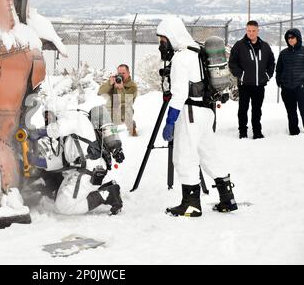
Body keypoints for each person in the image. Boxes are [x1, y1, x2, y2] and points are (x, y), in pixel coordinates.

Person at [157, 16, 238, 217]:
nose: (161, 44)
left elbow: (179, 94)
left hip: (190, 112)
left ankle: (191, 204)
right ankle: (227, 198)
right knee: (209, 154)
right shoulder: (197, 50)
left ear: (172, 36)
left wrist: (170, 121)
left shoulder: (181, 57)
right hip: (206, 112)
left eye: (163, 39)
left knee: (185, 156)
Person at [27, 105, 124, 216]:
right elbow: (62, 160)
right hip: (86, 170)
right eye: (45, 117)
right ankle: (103, 187)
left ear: (56, 111)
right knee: (60, 198)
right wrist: (36, 162)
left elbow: (57, 128)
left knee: (63, 206)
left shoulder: (74, 117)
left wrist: (39, 133)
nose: (47, 120)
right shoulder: (68, 135)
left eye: (48, 116)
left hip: (89, 170)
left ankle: (106, 194)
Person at [229, 21, 276, 139]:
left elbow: (271, 63)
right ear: (246, 30)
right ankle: (243, 132)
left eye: (253, 30)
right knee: (243, 109)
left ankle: (257, 132)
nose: (251, 33)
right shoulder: (239, 45)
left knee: (257, 110)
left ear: (258, 31)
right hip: (244, 84)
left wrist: (267, 76)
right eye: (249, 30)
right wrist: (242, 76)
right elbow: (232, 63)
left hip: (259, 85)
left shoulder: (265, 46)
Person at [276, 29, 304, 136]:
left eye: (293, 37)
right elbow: (278, 70)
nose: (290, 39)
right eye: (289, 38)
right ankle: (293, 132)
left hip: (301, 88)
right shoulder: (283, 53)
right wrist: (280, 82)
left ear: (298, 38)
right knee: (291, 112)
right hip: (287, 88)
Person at [98, 64, 139, 136]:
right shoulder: (114, 82)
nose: (121, 75)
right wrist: (109, 84)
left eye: (123, 73)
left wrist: (121, 88)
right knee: (107, 124)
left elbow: (125, 100)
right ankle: (111, 133)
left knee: (126, 112)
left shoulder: (132, 86)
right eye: (119, 73)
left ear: (128, 73)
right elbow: (100, 92)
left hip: (125, 109)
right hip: (113, 108)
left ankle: (132, 127)